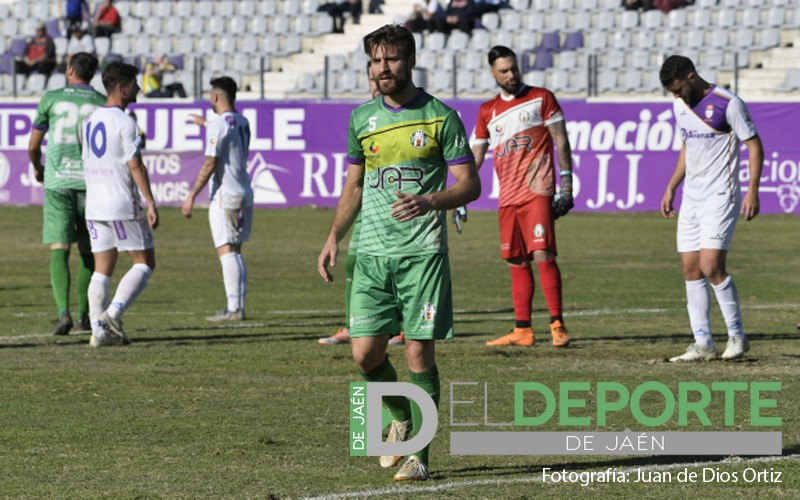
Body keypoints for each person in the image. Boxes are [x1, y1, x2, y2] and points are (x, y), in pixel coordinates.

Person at [317, 24, 480, 481]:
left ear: (409, 60)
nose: (382, 69)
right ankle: (401, 416)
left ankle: (419, 457)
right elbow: (353, 184)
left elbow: (471, 184)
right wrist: (333, 237)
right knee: (365, 354)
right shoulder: (360, 119)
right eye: (375, 61)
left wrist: (430, 200)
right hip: (369, 253)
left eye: (390, 60)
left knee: (416, 355)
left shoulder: (439, 117)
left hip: (421, 255)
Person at [659, 55, 763, 362]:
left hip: (721, 195)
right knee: (690, 269)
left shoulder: (728, 103)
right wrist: (671, 186)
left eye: (678, 88)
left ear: (691, 76)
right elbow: (688, 147)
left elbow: (754, 145)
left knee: (711, 267)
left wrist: (753, 191)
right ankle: (703, 342)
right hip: (692, 197)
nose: (677, 96)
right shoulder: (680, 105)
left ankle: (737, 337)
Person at [472, 45, 574, 348]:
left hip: (537, 191)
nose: (512, 74)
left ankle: (557, 325)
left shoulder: (541, 98)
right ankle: (523, 330)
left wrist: (566, 184)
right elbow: (476, 157)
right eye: (504, 70)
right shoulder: (486, 111)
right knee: (515, 260)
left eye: (514, 68)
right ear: (493, 73)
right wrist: (458, 196)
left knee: (543, 254)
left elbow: (560, 139)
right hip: (508, 198)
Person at [319, 62, 404, 346]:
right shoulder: (364, 118)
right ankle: (353, 325)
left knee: (399, 267)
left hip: (401, 208)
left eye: (379, 76)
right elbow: (355, 177)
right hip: (370, 210)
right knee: (355, 263)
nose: (376, 82)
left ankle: (401, 326)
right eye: (371, 78)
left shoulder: (405, 114)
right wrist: (334, 234)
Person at [28, 52, 107, 337]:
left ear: (71, 69)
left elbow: (34, 146)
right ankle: (85, 315)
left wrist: (38, 169)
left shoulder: (52, 98)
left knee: (60, 248)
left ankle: (64, 313)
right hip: (92, 184)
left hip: (58, 182)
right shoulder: (101, 102)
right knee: (88, 250)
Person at [82, 61, 159, 348]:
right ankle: (112, 315)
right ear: (121, 87)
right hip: (121, 204)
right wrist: (149, 201)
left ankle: (98, 332)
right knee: (144, 262)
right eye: (134, 84)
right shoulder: (125, 122)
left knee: (102, 268)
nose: (138, 88)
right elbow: (135, 165)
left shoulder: (90, 120)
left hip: (95, 205)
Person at [182, 77, 252, 322]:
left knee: (226, 251)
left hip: (226, 195)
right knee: (236, 251)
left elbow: (210, 163)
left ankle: (234, 310)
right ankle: (238, 307)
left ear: (215, 97)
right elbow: (227, 131)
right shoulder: (243, 121)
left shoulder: (217, 125)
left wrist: (191, 195)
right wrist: (207, 124)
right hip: (244, 191)